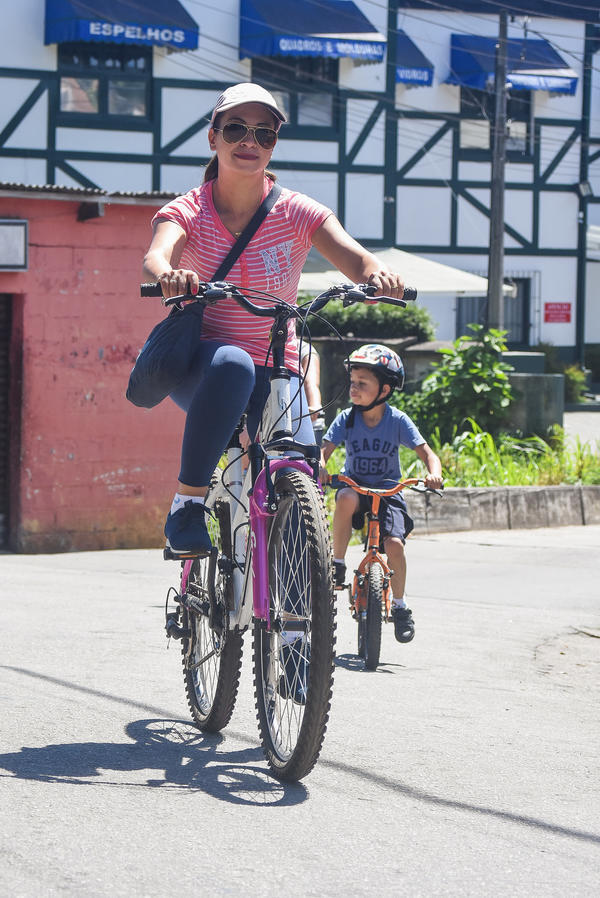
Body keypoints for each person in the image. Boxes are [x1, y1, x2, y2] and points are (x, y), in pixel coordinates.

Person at [141, 82, 406, 555]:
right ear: (213, 137)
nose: (250, 141)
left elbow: (359, 260)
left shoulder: (298, 211)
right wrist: (169, 276)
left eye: (264, 133)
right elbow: (156, 257)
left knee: (304, 471)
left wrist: (378, 278)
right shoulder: (190, 210)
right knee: (234, 364)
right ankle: (188, 504)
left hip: (279, 368)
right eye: (236, 129)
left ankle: (298, 597)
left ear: (274, 144)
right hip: (207, 367)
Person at [320, 344, 443, 643]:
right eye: (352, 382)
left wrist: (434, 474)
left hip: (389, 492)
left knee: (395, 545)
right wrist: (321, 467)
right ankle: (338, 563)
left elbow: (429, 455)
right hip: (356, 486)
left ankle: (400, 606)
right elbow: (323, 452)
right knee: (345, 497)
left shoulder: (397, 420)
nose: (354, 388)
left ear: (385, 389)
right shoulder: (346, 418)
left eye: (363, 383)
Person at [299, 337, 325, 446]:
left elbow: (310, 383)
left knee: (316, 421)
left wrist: (314, 405)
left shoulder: (304, 349)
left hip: (298, 414)